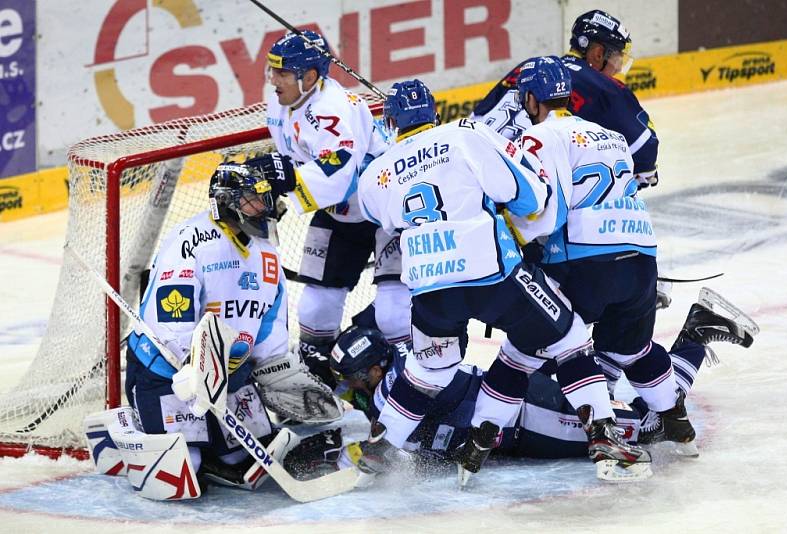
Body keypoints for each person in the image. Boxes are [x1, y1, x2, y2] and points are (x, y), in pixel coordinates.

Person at [356, 79, 650, 483]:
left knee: (430, 371)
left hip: (429, 289)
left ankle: (381, 447)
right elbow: (527, 193)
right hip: (492, 277)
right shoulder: (464, 135)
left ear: (390, 122)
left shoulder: (376, 173)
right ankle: (603, 437)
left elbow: (381, 219)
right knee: (570, 338)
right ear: (434, 114)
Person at [507, 56, 757, 449]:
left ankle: (691, 341)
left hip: (586, 262)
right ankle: (692, 349)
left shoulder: (541, 137)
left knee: (573, 356)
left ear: (531, 99)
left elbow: (548, 213)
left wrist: (513, 236)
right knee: (624, 351)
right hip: (639, 257)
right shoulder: (610, 136)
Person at [119, 161, 342, 496]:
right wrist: (195, 369)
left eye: (264, 198)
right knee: (184, 471)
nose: (263, 208)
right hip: (167, 373)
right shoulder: (190, 241)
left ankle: (212, 442)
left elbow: (269, 318)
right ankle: (136, 424)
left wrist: (273, 368)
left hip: (230, 375)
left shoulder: (267, 251)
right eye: (252, 199)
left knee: (246, 458)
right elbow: (169, 320)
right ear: (225, 201)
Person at [330, 313, 748, 471]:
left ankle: (695, 333)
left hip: (528, 418)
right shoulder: (406, 364)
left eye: (351, 379)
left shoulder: (392, 389)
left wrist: (356, 453)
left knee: (649, 426)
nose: (350, 389)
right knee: (590, 377)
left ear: (371, 367)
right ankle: (622, 317)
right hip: (521, 400)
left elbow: (398, 443)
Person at [255, 30, 410, 386]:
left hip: (383, 212)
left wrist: (283, 188)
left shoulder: (334, 111)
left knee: (393, 311)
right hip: (338, 213)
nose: (273, 80)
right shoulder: (280, 103)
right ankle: (321, 386)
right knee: (314, 307)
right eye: (272, 70)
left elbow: (337, 177)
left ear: (309, 77)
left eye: (281, 72)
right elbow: (293, 153)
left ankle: (401, 387)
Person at [472, 9, 659, 190]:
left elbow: (475, 118)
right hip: (522, 188)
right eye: (618, 59)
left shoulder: (528, 67)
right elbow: (645, 151)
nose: (618, 68)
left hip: (472, 170)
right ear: (598, 53)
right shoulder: (607, 88)